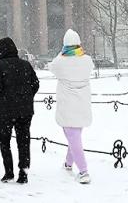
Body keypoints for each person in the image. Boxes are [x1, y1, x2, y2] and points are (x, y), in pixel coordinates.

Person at [0, 37, 39, 184]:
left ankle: (9, 171)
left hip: (6, 110)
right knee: (23, 140)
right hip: (25, 110)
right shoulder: (25, 65)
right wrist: (27, 96)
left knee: (5, 140)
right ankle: (23, 171)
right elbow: (35, 84)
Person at [49, 29, 94, 185]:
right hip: (82, 105)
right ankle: (68, 164)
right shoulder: (87, 60)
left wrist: (62, 53)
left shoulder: (61, 61)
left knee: (73, 138)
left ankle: (83, 171)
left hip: (67, 106)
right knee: (74, 136)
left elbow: (51, 67)